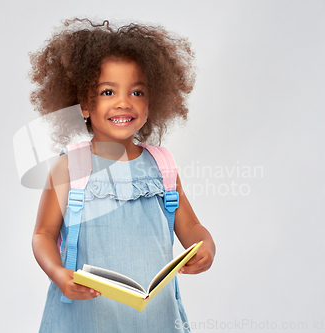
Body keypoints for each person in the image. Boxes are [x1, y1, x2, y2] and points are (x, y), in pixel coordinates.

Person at [28, 18, 215, 332]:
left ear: (152, 101)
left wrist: (205, 246)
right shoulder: (70, 167)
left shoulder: (162, 166)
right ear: (85, 105)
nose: (124, 102)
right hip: (87, 318)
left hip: (155, 319)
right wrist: (58, 273)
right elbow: (43, 235)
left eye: (137, 92)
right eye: (107, 91)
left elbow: (191, 227)